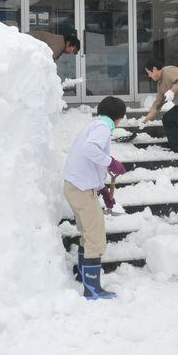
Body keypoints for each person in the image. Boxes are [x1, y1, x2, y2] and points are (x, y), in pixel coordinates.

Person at [62, 96, 126, 300]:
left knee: (87, 233)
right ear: (118, 118)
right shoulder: (103, 128)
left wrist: (103, 190)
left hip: (75, 186)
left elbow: (88, 161)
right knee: (96, 237)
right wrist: (111, 162)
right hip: (81, 189)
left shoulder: (94, 126)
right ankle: (92, 289)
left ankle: (83, 277)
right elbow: (90, 150)